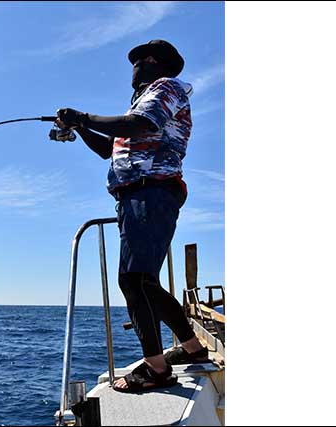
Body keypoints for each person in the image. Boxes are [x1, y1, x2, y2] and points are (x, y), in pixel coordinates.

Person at [55, 39, 209, 393]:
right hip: (137, 196)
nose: (133, 68)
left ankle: (157, 370)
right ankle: (193, 349)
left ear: (152, 61)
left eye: (136, 62)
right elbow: (110, 149)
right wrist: (80, 128)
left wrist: (84, 116)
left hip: (151, 192)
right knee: (146, 282)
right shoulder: (141, 101)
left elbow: (138, 125)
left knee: (134, 280)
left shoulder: (165, 88)